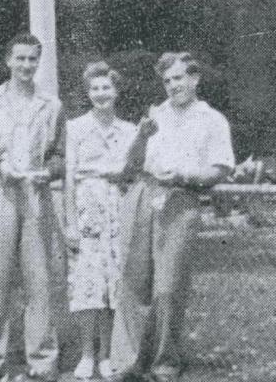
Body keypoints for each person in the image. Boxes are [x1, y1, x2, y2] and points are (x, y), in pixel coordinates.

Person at [110, 52, 235, 382]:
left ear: (194, 79)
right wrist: (141, 135)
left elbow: (219, 169)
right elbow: (133, 165)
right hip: (144, 195)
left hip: (181, 200)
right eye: (167, 81)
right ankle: (129, 362)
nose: (172, 86)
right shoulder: (156, 115)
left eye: (178, 78)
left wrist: (184, 176)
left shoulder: (212, 119)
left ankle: (165, 363)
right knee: (133, 281)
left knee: (168, 287)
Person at [0, 33, 65, 382]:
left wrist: (48, 171)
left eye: (32, 59)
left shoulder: (51, 105)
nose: (26, 66)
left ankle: (42, 362)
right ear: (8, 60)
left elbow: (61, 155)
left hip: (36, 196)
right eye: (20, 59)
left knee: (39, 281)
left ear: (39, 62)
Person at [63, 62, 137, 380]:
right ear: (88, 93)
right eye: (94, 88)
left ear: (116, 91)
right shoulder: (75, 128)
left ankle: (107, 355)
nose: (100, 94)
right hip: (86, 209)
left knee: (112, 286)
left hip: (118, 210)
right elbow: (68, 177)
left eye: (106, 87)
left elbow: (132, 175)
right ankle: (86, 354)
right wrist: (70, 222)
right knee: (85, 285)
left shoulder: (130, 131)